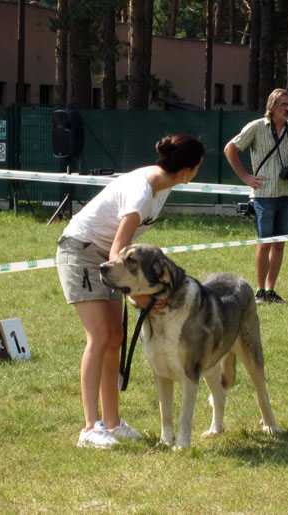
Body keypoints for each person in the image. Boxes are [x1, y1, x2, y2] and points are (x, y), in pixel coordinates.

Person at [56, 134, 205, 448]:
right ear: (187, 171)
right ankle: (88, 429)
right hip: (82, 252)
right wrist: (141, 297)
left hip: (108, 258)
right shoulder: (142, 193)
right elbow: (117, 253)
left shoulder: (161, 187)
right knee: (99, 336)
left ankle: (112, 424)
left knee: (115, 337)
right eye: (198, 167)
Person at [224, 88, 288, 305]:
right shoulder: (256, 127)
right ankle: (259, 291)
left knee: (280, 244)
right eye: (284, 104)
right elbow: (230, 149)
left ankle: (271, 290)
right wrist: (245, 176)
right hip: (264, 195)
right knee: (264, 243)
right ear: (272, 106)